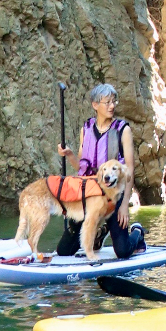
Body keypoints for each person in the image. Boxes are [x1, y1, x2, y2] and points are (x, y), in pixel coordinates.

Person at [55, 84, 145, 259]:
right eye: (107, 102)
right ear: (95, 105)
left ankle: (138, 232)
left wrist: (125, 204)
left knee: (123, 251)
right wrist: (70, 154)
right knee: (64, 251)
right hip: (89, 195)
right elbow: (81, 166)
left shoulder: (123, 130)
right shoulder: (86, 127)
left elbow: (129, 169)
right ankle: (99, 232)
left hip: (113, 196)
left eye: (114, 101)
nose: (112, 106)